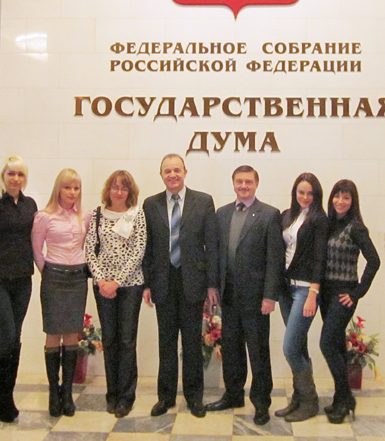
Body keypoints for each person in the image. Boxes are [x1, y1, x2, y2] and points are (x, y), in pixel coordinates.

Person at [204, 165, 283, 425]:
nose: (243, 185)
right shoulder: (222, 213)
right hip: (228, 295)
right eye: (239, 181)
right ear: (233, 183)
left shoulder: (269, 214)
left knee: (258, 352)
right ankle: (233, 395)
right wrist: (212, 286)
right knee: (232, 349)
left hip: (256, 298)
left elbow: (274, 259)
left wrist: (270, 296)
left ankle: (261, 403)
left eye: (248, 181)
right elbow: (215, 253)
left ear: (256, 184)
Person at [143, 154, 218, 419]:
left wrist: (212, 285)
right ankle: (165, 397)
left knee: (191, 344)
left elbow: (211, 246)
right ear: (161, 175)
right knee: (166, 343)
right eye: (167, 171)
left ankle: (194, 398)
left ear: (185, 172)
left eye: (177, 170)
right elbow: (148, 247)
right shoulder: (150, 204)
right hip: (163, 283)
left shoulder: (203, 201)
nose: (173, 175)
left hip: (192, 283)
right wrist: (147, 284)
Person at [0, 156, 38, 423]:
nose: (15, 179)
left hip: (23, 279)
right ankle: (1, 397)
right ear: (3, 176)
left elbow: (35, 240)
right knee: (7, 338)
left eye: (20, 174)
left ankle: (7, 394)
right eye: (11, 174)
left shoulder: (30, 205)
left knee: (16, 338)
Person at [84, 170, 146, 418]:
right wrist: (102, 280)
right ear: (108, 190)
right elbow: (89, 249)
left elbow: (139, 250)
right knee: (109, 339)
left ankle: (126, 397)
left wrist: (117, 282)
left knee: (127, 341)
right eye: (115, 187)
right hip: (102, 286)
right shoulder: (98, 214)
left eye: (124, 187)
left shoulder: (137, 214)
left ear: (130, 191)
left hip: (130, 285)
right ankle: (112, 394)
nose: (119, 192)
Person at [32, 168, 91, 418]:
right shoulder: (44, 217)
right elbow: (37, 251)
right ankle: (53, 393)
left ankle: (67, 393)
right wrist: (50, 272)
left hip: (78, 277)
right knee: (53, 333)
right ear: (58, 189)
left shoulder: (85, 216)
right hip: (54, 277)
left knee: (72, 334)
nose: (72, 192)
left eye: (76, 188)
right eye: (67, 187)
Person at [319, 179, 380, 424]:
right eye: (337, 196)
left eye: (346, 197)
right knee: (337, 345)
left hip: (343, 295)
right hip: (325, 293)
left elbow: (374, 261)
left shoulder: (356, 228)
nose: (340, 201)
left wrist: (357, 292)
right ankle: (340, 397)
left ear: (353, 201)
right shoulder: (328, 224)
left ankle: (346, 398)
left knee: (326, 344)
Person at [275, 172, 328, 422]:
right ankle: (298, 399)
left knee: (289, 348)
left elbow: (320, 258)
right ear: (295, 192)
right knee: (298, 346)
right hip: (286, 288)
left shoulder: (320, 219)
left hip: (306, 290)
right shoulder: (288, 215)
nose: (305, 197)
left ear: (316, 195)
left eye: (310, 193)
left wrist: (313, 293)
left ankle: (310, 400)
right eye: (301, 192)